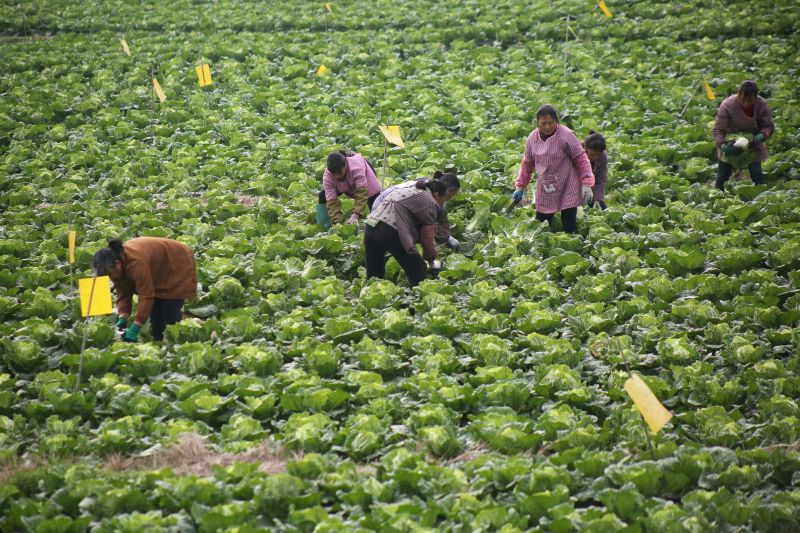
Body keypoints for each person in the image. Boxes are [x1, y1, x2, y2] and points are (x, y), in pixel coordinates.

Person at [92, 237, 197, 342]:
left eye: (109, 274)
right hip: (158, 269)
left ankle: (180, 341)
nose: (110, 278)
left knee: (169, 311)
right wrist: (123, 315)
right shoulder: (117, 265)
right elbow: (123, 290)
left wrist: (136, 326)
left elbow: (146, 295)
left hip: (176, 260)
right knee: (155, 313)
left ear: (118, 264)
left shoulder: (136, 262)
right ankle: (159, 342)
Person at [513, 105, 595, 233]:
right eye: (543, 123)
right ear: (537, 123)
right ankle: (540, 250)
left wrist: (587, 183)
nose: (547, 126)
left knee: (569, 223)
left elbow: (581, 159)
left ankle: (574, 248)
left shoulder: (566, 135)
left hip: (568, 183)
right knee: (541, 222)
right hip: (546, 184)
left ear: (556, 121)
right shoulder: (532, 138)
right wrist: (520, 187)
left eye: (550, 123)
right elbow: (527, 164)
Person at [364, 180, 448, 286]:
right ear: (436, 195)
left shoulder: (409, 190)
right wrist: (431, 260)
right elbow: (428, 236)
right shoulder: (429, 201)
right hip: (389, 229)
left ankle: (370, 299)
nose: (440, 205)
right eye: (441, 201)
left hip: (370, 226)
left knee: (374, 274)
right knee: (418, 268)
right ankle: (419, 299)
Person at [372, 171, 461, 250]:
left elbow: (442, 219)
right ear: (447, 192)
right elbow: (427, 225)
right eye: (452, 195)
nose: (451, 198)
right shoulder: (424, 193)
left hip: (390, 206)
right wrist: (431, 251)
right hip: (382, 207)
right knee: (415, 231)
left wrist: (448, 237)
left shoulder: (437, 192)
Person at [712, 80, 775, 190]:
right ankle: (718, 197)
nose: (746, 103)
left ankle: (759, 199)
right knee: (722, 176)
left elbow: (768, 126)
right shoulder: (727, 105)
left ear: (756, 97)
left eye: (750, 101)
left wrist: (761, 136)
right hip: (731, 142)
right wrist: (723, 146)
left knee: (757, 174)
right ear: (738, 94)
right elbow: (718, 130)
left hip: (753, 142)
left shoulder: (762, 105)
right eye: (743, 100)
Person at [317, 151, 382, 227]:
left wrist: (355, 215)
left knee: (375, 206)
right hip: (343, 186)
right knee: (322, 195)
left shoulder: (356, 167)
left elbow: (361, 194)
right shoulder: (327, 176)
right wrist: (337, 223)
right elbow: (332, 202)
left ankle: (377, 227)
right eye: (334, 174)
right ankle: (325, 225)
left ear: (345, 165)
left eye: (339, 172)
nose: (337, 176)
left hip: (366, 181)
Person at [583, 130, 608, 210]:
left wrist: (597, 199)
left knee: (601, 208)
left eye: (598, 155)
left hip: (591, 189)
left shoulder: (603, 156)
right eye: (593, 154)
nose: (596, 157)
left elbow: (601, 179)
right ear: (586, 148)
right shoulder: (577, 151)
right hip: (573, 189)